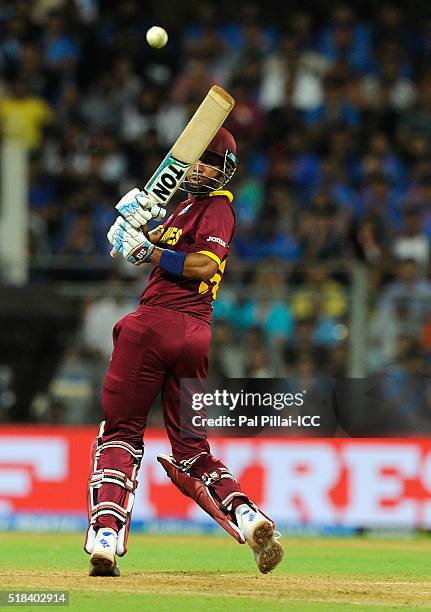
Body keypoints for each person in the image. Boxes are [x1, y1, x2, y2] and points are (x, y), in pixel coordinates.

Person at [84, 127, 283, 576]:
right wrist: (137, 228)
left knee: (120, 433)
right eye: (195, 159)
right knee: (192, 450)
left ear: (226, 171)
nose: (197, 167)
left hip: (154, 324)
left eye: (209, 162)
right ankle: (249, 517)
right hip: (195, 337)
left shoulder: (217, 208)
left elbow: (203, 264)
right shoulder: (187, 208)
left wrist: (148, 252)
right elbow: (151, 247)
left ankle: (106, 535)